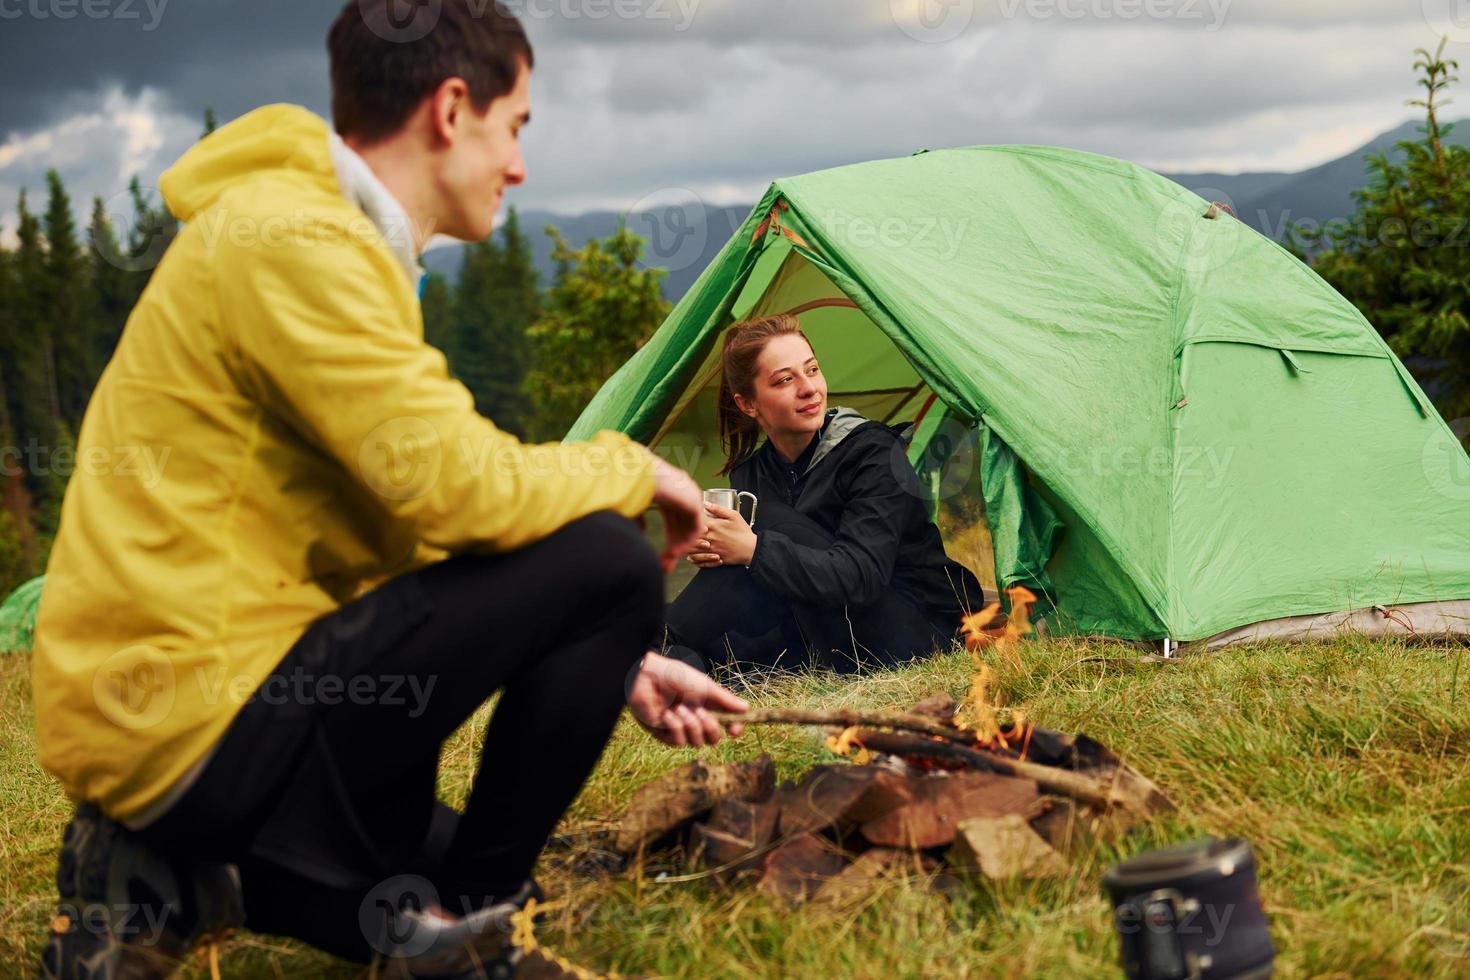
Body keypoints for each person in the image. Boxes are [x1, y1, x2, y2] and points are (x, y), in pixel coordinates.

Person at [32, 3, 747, 978]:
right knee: (613, 552)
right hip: (201, 706)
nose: (522, 165)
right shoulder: (291, 240)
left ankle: (169, 869)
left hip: (218, 711)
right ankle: (478, 938)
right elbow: (458, 490)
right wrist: (634, 468)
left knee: (419, 869)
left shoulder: (332, 246)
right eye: (517, 127)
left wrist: (611, 659)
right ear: (452, 108)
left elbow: (412, 531)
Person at [664, 314, 987, 676]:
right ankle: (673, 656)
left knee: (768, 522)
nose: (809, 388)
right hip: (822, 628)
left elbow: (861, 576)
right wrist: (717, 550)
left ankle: (657, 641)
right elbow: (766, 587)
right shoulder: (752, 474)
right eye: (785, 380)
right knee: (718, 650)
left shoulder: (873, 453)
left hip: (914, 625)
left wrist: (752, 550)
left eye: (812, 370)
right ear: (748, 404)